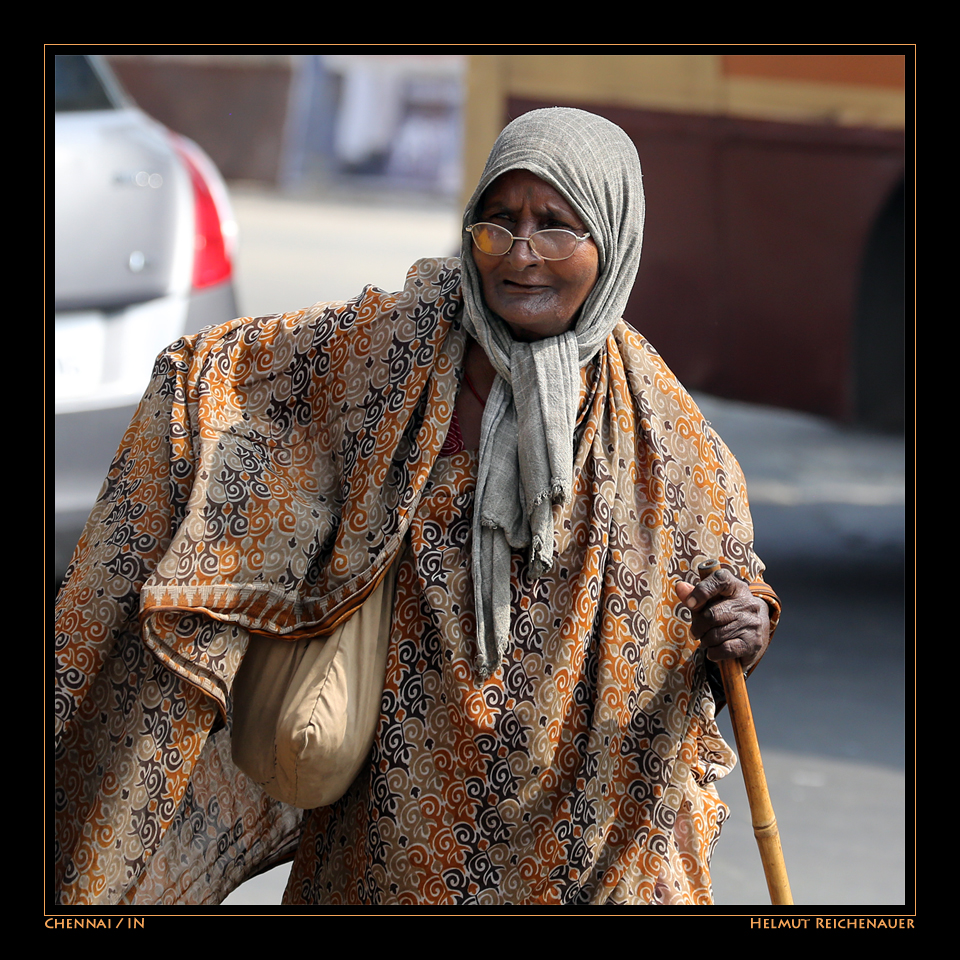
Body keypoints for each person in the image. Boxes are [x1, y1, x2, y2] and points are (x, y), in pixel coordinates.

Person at [54, 107, 778, 906]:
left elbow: (731, 582)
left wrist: (746, 622)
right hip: (393, 823)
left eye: (555, 226)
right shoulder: (396, 349)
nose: (521, 254)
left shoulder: (664, 431)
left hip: (580, 838)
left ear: (613, 240)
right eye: (497, 224)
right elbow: (224, 379)